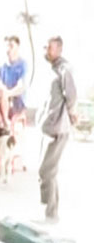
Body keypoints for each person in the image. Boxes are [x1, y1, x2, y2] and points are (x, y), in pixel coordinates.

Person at [39, 36, 78, 224]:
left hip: (59, 128)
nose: (47, 51)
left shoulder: (64, 69)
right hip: (49, 127)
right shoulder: (51, 70)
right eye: (46, 47)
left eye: (50, 48)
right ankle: (50, 211)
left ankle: (52, 213)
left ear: (59, 50)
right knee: (46, 171)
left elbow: (71, 96)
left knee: (48, 170)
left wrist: (72, 114)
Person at [0, 36, 28, 128]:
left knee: (4, 93)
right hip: (4, 104)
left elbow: (21, 86)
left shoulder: (23, 65)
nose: (8, 49)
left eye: (11, 46)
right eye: (7, 46)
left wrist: (8, 93)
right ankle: (3, 121)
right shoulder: (2, 67)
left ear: (18, 47)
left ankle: (7, 123)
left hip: (18, 105)